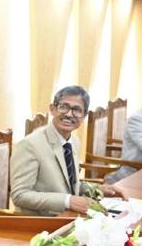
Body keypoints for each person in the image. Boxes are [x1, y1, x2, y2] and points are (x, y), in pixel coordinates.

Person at [10, 86, 125, 216]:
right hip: (40, 222)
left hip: (70, 216)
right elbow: (19, 195)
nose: (69, 114)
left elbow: (70, 185)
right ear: (52, 109)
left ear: (84, 116)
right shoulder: (29, 145)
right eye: (63, 107)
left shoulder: (74, 141)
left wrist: (98, 189)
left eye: (77, 110)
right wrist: (68, 201)